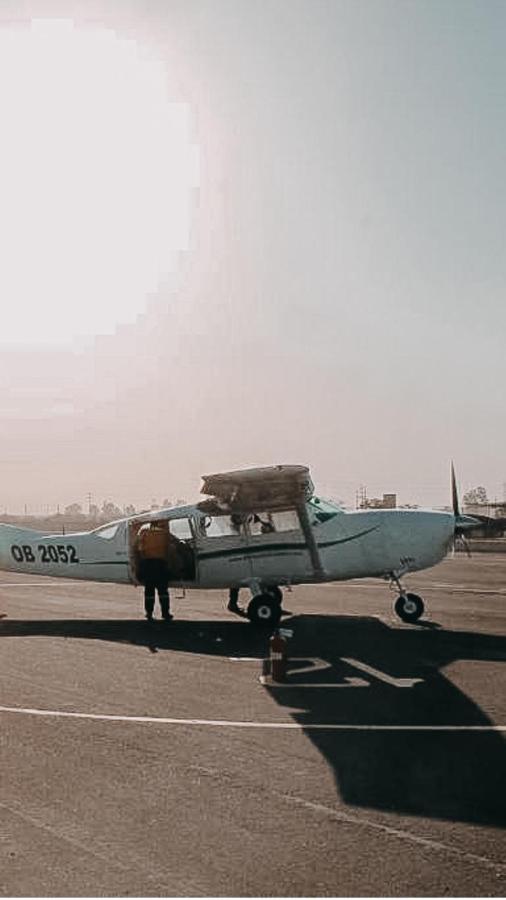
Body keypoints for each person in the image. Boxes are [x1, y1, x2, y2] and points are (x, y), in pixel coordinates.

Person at [135, 521, 173, 621]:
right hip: (161, 564)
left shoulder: (144, 533)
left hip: (148, 564)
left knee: (149, 592)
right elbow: (169, 549)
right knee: (163, 591)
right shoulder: (165, 534)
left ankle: (149, 613)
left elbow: (140, 550)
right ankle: (165, 613)